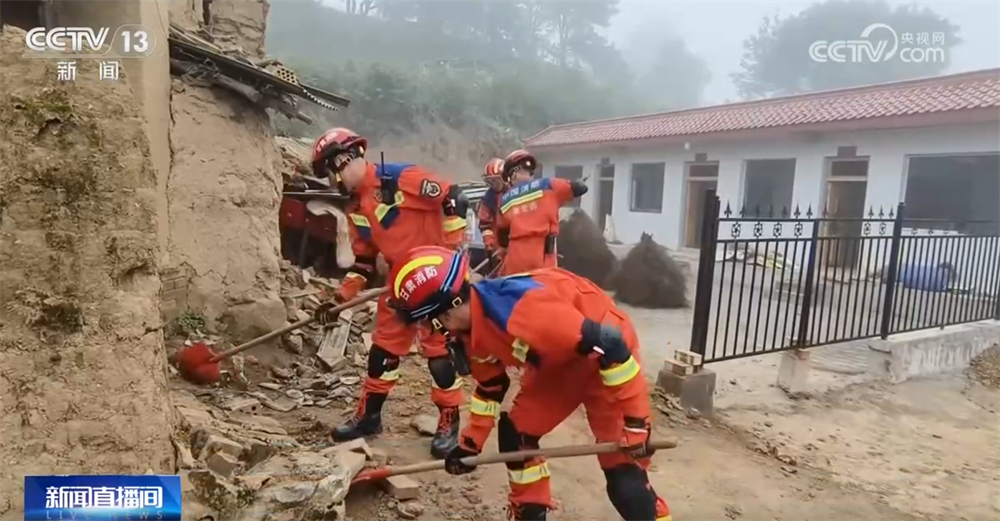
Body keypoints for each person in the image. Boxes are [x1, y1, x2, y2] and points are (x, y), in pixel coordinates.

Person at [386, 246, 672, 521]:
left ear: (447, 312)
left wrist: (636, 422)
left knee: (625, 480)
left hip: (605, 360)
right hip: (559, 362)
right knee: (516, 435)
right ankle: (531, 512)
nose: (427, 330)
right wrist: (470, 446)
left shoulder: (524, 313)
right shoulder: (470, 332)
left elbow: (611, 345)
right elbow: (491, 388)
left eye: (427, 321)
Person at [310, 127, 469, 459]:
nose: (332, 181)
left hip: (436, 281)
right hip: (399, 284)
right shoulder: (356, 208)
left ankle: (449, 422)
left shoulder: (399, 179)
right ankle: (369, 417)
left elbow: (454, 197)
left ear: (344, 159)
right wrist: (340, 299)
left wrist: (451, 257)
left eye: (330, 172)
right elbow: (364, 262)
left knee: (439, 356)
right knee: (382, 352)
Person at [496, 149, 588, 275]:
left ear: (513, 175)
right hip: (543, 259)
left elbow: (502, 236)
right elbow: (579, 188)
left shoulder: (505, 199)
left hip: (515, 260)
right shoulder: (549, 185)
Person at [477, 158, 507, 273]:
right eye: (490, 181)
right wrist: (489, 240)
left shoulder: (514, 193)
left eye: (495, 180)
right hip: (497, 246)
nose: (492, 184)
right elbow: (484, 223)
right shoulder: (488, 198)